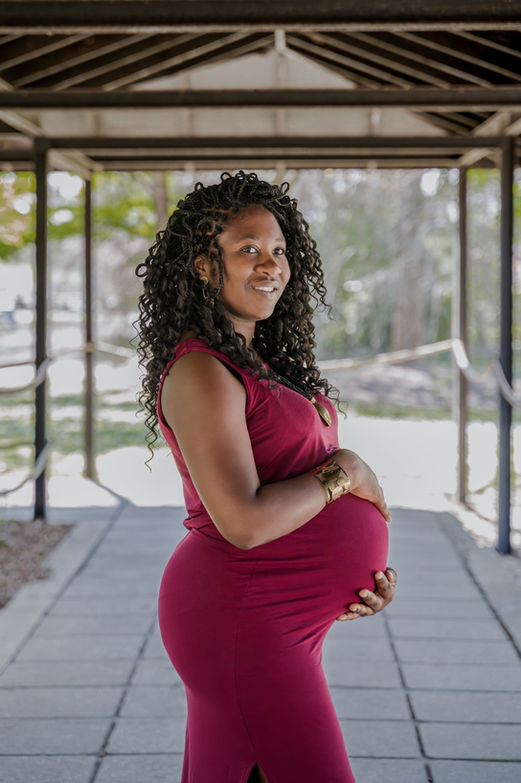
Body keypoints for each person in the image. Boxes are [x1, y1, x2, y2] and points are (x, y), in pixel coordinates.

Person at [135, 170, 397, 783]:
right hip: (242, 617)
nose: (271, 265)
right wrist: (346, 473)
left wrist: (353, 581)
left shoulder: (257, 361)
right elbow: (245, 522)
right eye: (248, 249)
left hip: (277, 618)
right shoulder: (202, 372)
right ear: (203, 265)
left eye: (279, 250)